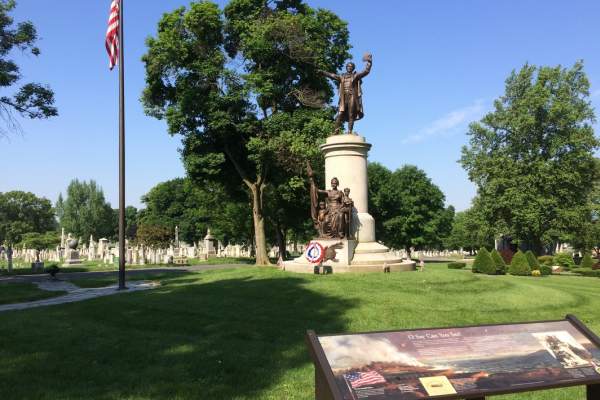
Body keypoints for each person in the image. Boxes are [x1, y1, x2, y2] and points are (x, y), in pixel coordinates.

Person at [319, 53, 372, 134]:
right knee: (340, 114)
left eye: (351, 67)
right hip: (344, 97)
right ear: (346, 67)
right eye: (348, 66)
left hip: (352, 97)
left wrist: (369, 63)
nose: (349, 68)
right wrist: (323, 72)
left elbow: (366, 71)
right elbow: (332, 75)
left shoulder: (356, 75)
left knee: (351, 114)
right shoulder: (342, 76)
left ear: (353, 68)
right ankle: (336, 131)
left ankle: (350, 131)